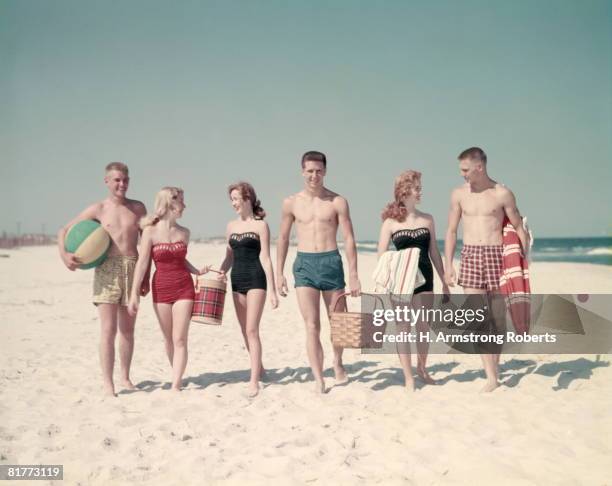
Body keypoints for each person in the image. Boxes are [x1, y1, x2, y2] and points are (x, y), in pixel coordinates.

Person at [57, 162, 148, 397]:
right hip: (106, 269)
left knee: (128, 330)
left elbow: (147, 243)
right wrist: (65, 256)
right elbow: (64, 230)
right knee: (108, 330)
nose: (122, 184)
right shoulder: (98, 209)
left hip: (132, 267)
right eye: (117, 180)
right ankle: (108, 384)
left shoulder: (138, 208)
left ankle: (125, 377)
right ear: (107, 181)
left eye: (125, 180)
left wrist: (146, 275)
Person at [444, 147, 528, 392]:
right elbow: (451, 231)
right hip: (470, 255)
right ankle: (491, 376)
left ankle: (495, 363)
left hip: (497, 256)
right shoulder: (459, 194)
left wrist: (525, 259)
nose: (462, 175)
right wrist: (449, 264)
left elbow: (518, 225)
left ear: (479, 167)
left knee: (499, 321)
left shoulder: (503, 194)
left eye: (466, 170)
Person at [276, 151, 361, 393]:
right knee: (311, 325)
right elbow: (282, 238)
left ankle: (337, 362)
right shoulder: (291, 202)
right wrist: (279, 273)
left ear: (325, 171)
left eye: (319, 170)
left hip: (331, 262)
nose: (314, 175)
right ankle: (318, 378)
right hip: (304, 264)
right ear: (302, 171)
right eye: (310, 171)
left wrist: (354, 274)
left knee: (339, 322)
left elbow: (349, 238)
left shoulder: (337, 202)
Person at [377, 170, 449, 391]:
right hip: (400, 280)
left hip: (425, 278)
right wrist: (387, 280)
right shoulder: (390, 222)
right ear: (404, 190)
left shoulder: (428, 219)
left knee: (423, 326)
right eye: (417, 187)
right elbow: (381, 255)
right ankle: (408, 377)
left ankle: (422, 368)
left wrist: (444, 280)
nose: (420, 191)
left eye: (420, 187)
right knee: (403, 328)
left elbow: (434, 252)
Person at [128, 187, 204, 392]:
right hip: (161, 288)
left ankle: (176, 384)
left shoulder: (184, 232)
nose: (185, 205)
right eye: (182, 201)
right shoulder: (150, 232)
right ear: (171, 203)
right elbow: (143, 263)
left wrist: (196, 270)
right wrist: (134, 294)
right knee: (169, 338)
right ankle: (176, 373)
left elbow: (179, 259)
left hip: (184, 287)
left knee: (180, 338)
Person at [214, 182, 279, 397]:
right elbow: (229, 257)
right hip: (237, 279)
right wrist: (221, 271)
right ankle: (259, 368)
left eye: (236, 198)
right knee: (244, 330)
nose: (233, 203)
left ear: (247, 198)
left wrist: (273, 291)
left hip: (256, 278)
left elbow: (266, 258)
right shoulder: (230, 226)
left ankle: (254, 381)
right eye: (231, 199)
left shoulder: (261, 225)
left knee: (252, 329)